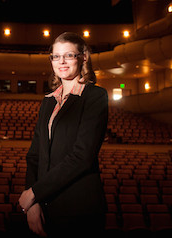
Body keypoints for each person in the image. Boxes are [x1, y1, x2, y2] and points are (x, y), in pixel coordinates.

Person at [18, 32, 108, 237]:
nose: (62, 62)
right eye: (56, 56)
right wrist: (33, 204)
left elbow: (82, 157)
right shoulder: (48, 101)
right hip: (43, 207)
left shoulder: (95, 96)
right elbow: (34, 156)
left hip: (79, 209)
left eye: (69, 55)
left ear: (83, 56)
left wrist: (34, 193)